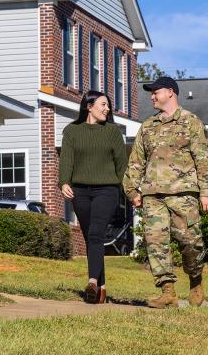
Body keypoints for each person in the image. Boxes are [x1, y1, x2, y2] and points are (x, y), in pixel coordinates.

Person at [123, 76, 208, 308]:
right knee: (155, 243)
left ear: (171, 92)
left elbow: (203, 159)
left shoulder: (191, 122)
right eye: (151, 92)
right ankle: (168, 293)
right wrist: (132, 190)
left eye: (156, 91)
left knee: (190, 243)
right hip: (153, 194)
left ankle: (196, 278)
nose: (152, 96)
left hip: (184, 193)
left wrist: (206, 191)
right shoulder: (148, 127)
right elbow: (136, 161)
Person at [59, 90, 128, 304]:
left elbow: (122, 165)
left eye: (108, 105)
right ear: (89, 106)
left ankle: (91, 282)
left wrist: (128, 191)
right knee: (91, 237)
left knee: (96, 234)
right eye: (103, 104)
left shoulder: (113, 132)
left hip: (107, 190)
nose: (107, 109)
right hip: (80, 192)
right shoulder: (72, 131)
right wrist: (63, 182)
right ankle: (102, 288)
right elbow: (66, 159)